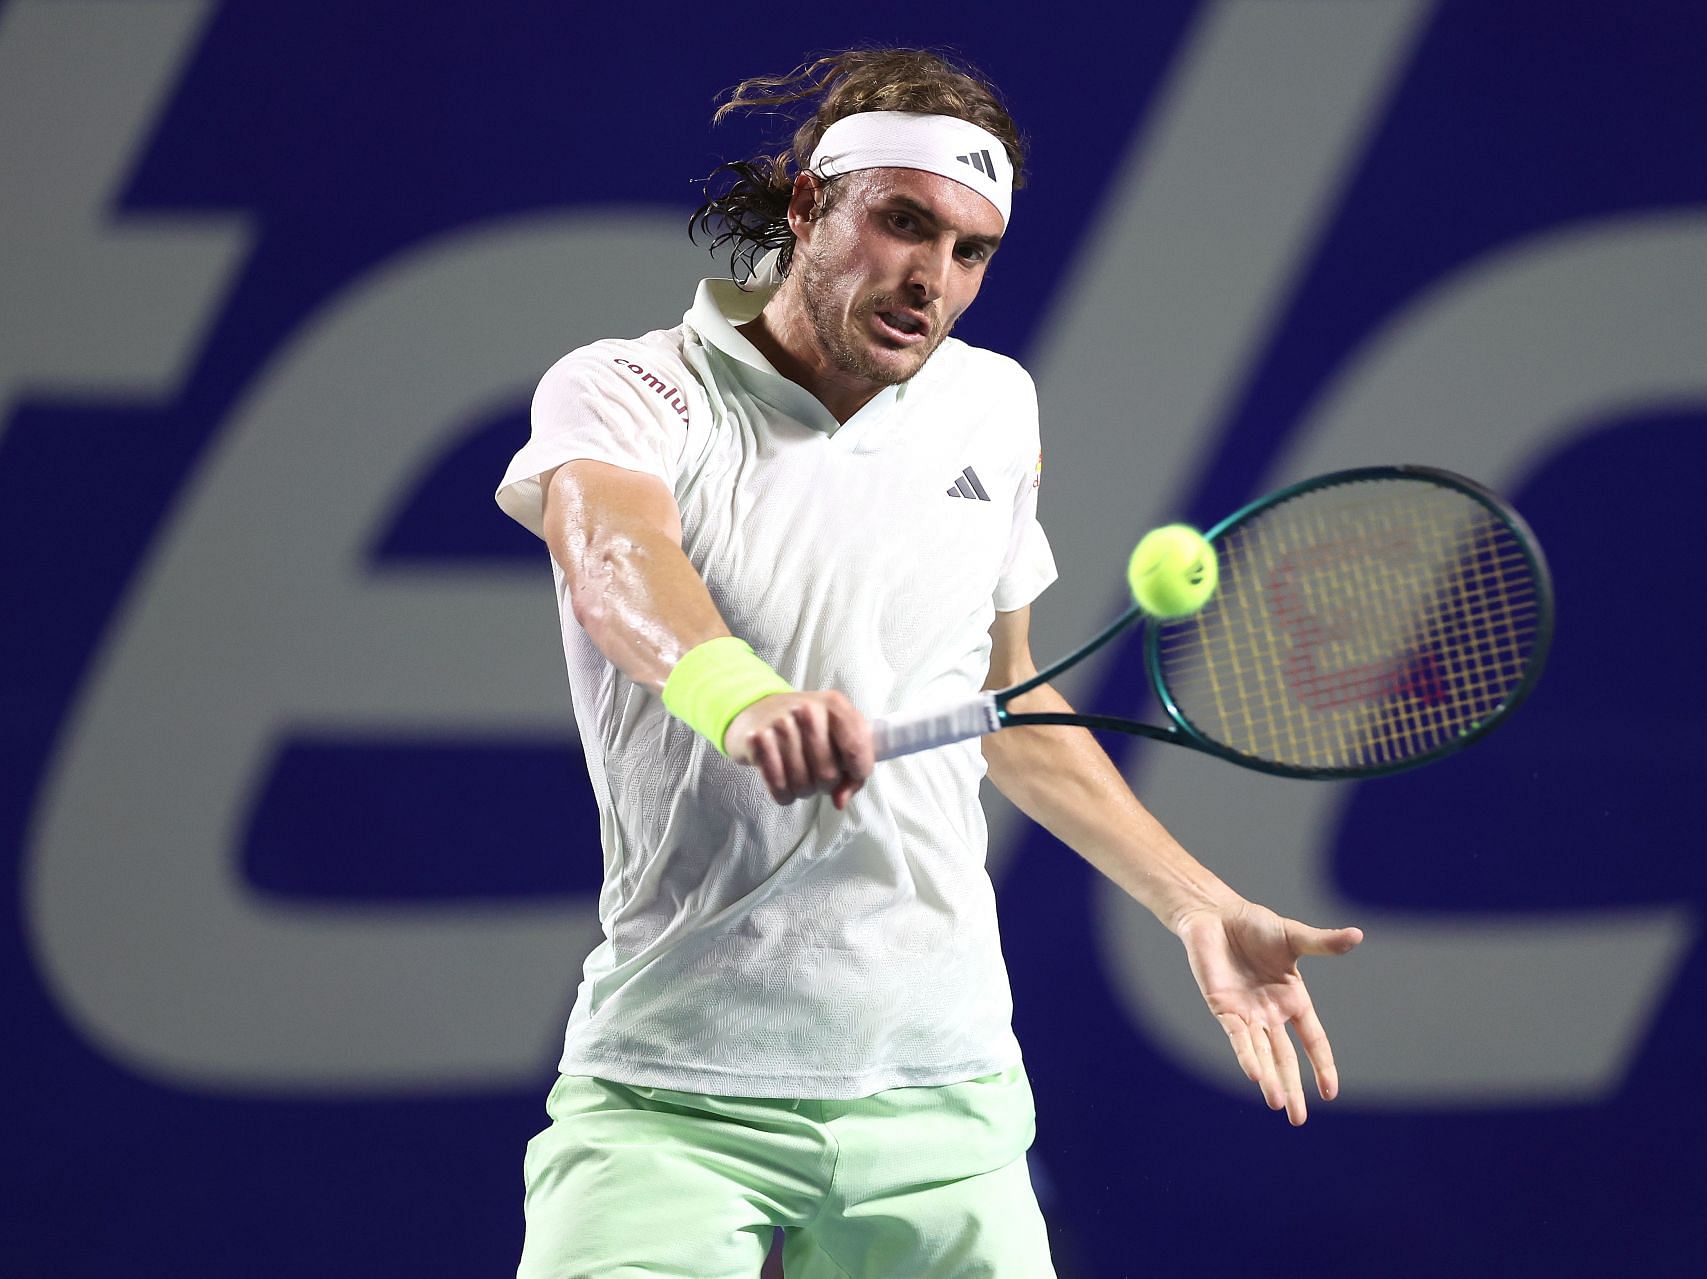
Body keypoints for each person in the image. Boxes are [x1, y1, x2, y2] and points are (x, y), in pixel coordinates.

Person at [496, 47, 1364, 1279]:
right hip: (671, 1096)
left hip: (942, 1096)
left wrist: (1195, 900)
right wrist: (743, 701)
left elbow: (1003, 705)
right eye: (904, 224)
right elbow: (615, 560)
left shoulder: (994, 408)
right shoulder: (634, 389)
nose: (934, 279)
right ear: (808, 205)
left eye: (971, 251)